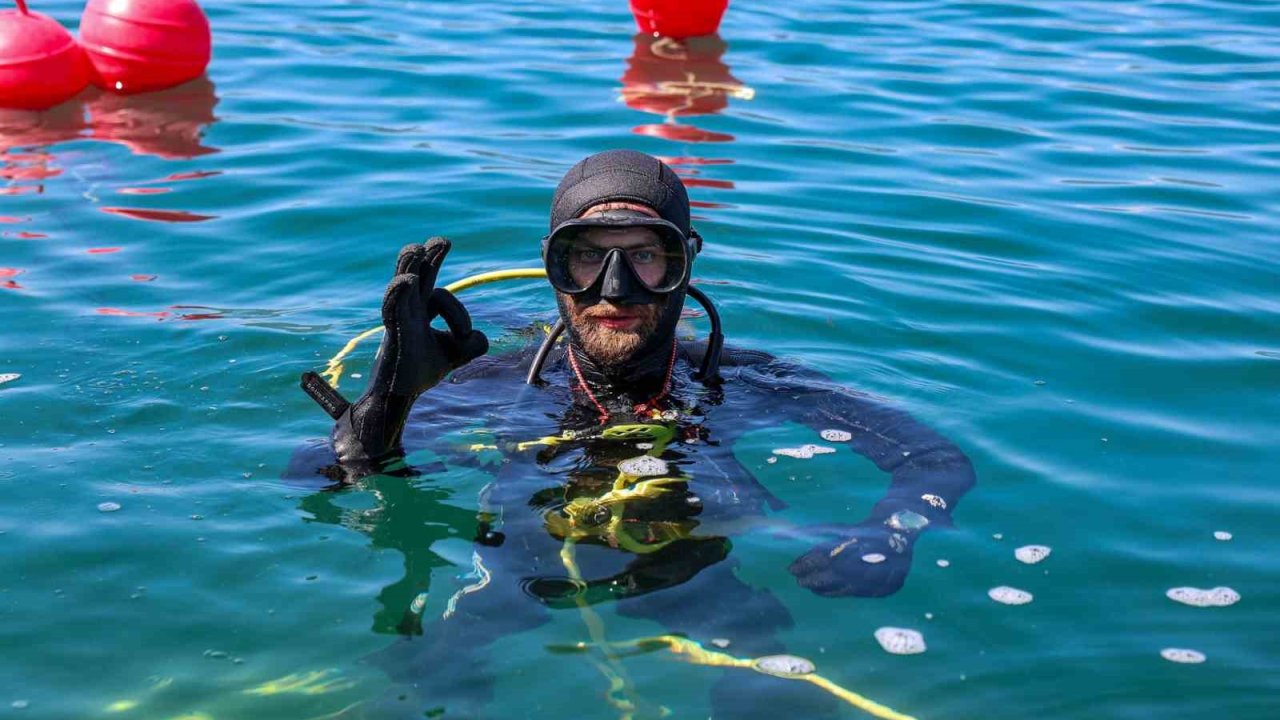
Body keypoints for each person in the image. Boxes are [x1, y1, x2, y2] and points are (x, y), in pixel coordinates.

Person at [294, 149, 975, 718]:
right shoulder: (498, 384)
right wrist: (384, 421)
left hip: (695, 575)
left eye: (647, 256)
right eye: (586, 257)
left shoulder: (744, 380)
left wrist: (892, 531)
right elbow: (312, 482)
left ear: (684, 266)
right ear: (553, 268)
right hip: (519, 574)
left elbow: (934, 462)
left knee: (777, 695)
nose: (614, 291)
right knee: (421, 679)